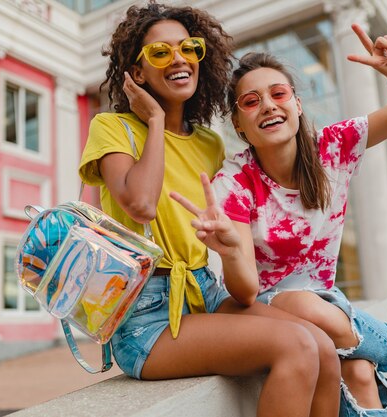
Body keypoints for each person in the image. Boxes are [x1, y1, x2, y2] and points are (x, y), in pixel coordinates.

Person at [172, 24, 387, 417]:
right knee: (308, 309)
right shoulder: (235, 183)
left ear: (296, 104)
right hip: (264, 307)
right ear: (239, 124)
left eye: (278, 94)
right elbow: (244, 291)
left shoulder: (333, 147)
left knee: (362, 372)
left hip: (326, 305)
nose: (268, 106)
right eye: (250, 101)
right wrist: (227, 253)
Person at [79, 3, 344, 416]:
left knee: (323, 346)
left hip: (206, 291)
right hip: (145, 316)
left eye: (189, 48)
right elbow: (141, 204)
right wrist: (151, 120)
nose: (179, 58)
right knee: (295, 345)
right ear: (137, 73)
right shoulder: (111, 128)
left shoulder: (210, 143)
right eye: (160, 53)